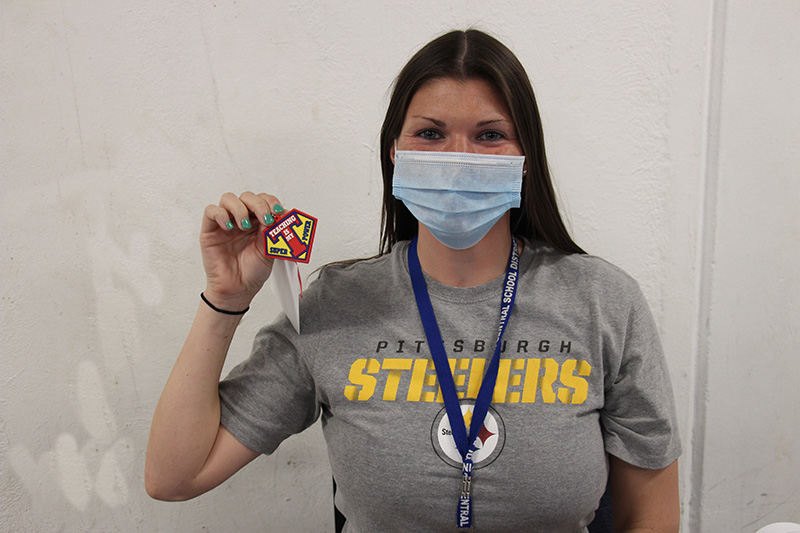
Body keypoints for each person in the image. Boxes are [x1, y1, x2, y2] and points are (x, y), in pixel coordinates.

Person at [146, 29, 681, 532]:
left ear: (524, 159)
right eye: (430, 134)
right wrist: (225, 300)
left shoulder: (603, 301)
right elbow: (175, 477)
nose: (458, 160)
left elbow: (651, 518)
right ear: (395, 155)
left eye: (490, 135)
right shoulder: (334, 305)